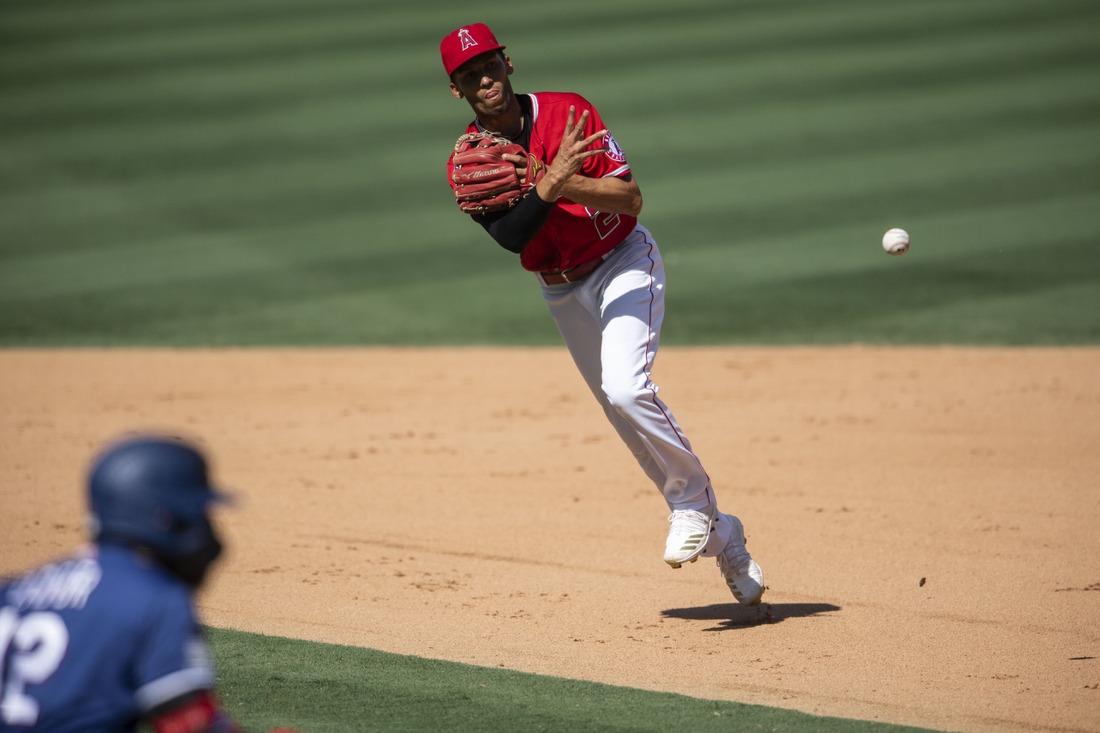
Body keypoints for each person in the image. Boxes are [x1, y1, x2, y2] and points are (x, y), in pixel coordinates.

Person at [440, 24, 765, 606]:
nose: (483, 80)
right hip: (561, 291)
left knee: (626, 387)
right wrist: (548, 185)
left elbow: (631, 199)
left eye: (489, 65)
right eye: (469, 75)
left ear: (508, 63)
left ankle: (691, 504)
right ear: (455, 90)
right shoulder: (472, 161)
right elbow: (513, 238)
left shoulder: (570, 113)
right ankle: (726, 537)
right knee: (630, 429)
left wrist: (559, 180)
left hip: (623, 260)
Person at [0, 436, 285, 732]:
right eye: (198, 514)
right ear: (165, 517)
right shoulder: (153, 598)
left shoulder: (13, 593)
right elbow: (191, 724)